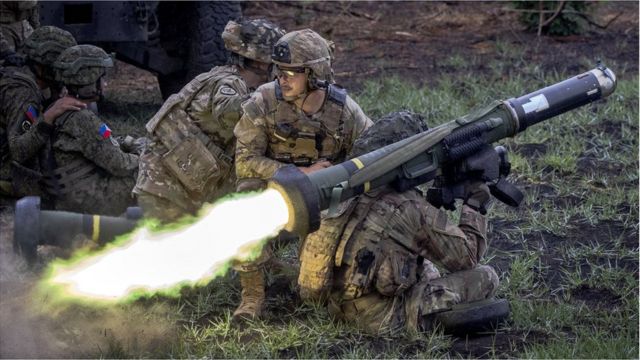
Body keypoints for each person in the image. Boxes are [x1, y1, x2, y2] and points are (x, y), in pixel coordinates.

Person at [297, 111, 501, 335]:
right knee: (486, 276)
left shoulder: (338, 191)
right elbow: (467, 257)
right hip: (382, 319)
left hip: (335, 308)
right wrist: (475, 203)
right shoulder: (407, 207)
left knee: (427, 268)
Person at [233, 29, 373, 320]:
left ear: (314, 74)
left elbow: (371, 153)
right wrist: (299, 172)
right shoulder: (264, 101)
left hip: (324, 202)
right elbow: (246, 161)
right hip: (273, 193)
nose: (282, 79)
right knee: (244, 197)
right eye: (279, 71)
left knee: (312, 289)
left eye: (292, 73)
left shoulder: (344, 111)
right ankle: (252, 295)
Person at [132, 18, 286, 222]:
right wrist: (278, 97)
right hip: (166, 195)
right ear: (261, 62)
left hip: (183, 192)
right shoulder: (226, 84)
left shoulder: (229, 79)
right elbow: (231, 109)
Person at [42, 44, 138, 216]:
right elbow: (121, 165)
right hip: (90, 200)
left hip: (70, 196)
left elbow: (102, 145)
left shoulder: (60, 110)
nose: (105, 83)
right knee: (151, 174)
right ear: (88, 82)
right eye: (101, 79)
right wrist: (145, 158)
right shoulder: (82, 119)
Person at [0, 26, 85, 202]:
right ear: (44, 67)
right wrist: (49, 116)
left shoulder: (33, 78)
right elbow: (19, 151)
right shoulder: (23, 91)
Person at [0, 0, 40, 66]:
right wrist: (4, 50)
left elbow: (34, 12)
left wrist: (38, 34)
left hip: (25, 27)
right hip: (4, 30)